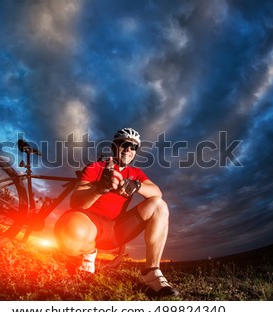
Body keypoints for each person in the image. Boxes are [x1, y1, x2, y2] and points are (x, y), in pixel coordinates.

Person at [54, 127, 179, 297]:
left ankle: (151, 271)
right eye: (125, 144)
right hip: (92, 226)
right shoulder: (96, 167)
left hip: (117, 230)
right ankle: (89, 253)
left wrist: (137, 185)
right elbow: (75, 202)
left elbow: (157, 192)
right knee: (68, 233)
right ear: (115, 146)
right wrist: (98, 188)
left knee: (159, 205)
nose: (129, 149)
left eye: (134, 147)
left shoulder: (135, 173)